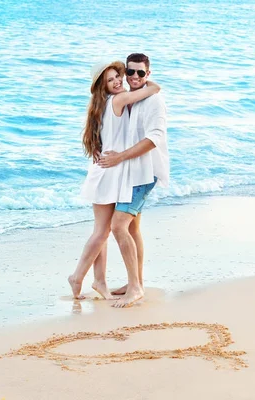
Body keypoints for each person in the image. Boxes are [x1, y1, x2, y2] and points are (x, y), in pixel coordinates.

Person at [68, 60, 160, 301]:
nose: (119, 81)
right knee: (102, 232)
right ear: (103, 87)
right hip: (108, 173)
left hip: (106, 172)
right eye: (111, 80)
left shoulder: (99, 107)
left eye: (117, 76)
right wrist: (146, 78)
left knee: (102, 231)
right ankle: (77, 276)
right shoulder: (117, 100)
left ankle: (99, 280)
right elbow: (153, 89)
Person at [97, 53, 170, 308]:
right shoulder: (128, 99)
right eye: (131, 72)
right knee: (133, 229)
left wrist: (120, 158)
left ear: (147, 74)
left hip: (144, 172)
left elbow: (154, 139)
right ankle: (135, 281)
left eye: (141, 73)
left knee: (118, 227)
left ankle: (136, 288)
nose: (135, 77)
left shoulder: (154, 102)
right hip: (128, 172)